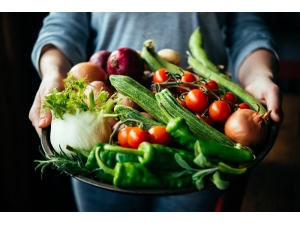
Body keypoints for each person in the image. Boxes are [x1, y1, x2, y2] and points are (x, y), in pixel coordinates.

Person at [29, 12, 284, 212]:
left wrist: (260, 75)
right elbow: (63, 25)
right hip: (101, 130)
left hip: (201, 142)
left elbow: (247, 29)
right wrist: (53, 74)